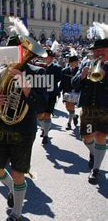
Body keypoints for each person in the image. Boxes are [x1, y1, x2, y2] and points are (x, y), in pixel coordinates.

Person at [0, 32, 47, 221]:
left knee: (18, 172)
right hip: (2, 127)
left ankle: (16, 214)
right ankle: (12, 188)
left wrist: (26, 86)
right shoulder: (1, 73)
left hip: (23, 130)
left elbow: (42, 105)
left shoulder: (37, 72)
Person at [71, 22, 108, 185]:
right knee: (86, 137)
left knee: (101, 136)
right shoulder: (87, 65)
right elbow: (74, 85)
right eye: (95, 51)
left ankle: (96, 169)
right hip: (87, 108)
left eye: (101, 50)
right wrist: (81, 76)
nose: (98, 53)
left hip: (105, 108)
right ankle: (94, 153)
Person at [36, 47, 62, 145]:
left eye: (47, 57)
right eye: (44, 57)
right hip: (40, 94)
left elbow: (57, 79)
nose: (45, 59)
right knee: (39, 116)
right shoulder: (39, 67)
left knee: (47, 114)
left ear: (51, 58)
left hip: (51, 94)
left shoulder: (57, 68)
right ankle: (45, 128)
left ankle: (45, 135)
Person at [60, 52, 80, 130]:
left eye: (77, 62)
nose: (76, 63)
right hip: (66, 91)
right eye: (75, 62)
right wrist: (59, 90)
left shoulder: (79, 71)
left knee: (71, 105)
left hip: (75, 92)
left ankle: (69, 123)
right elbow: (62, 82)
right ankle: (74, 116)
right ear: (71, 62)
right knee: (67, 107)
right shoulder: (64, 70)